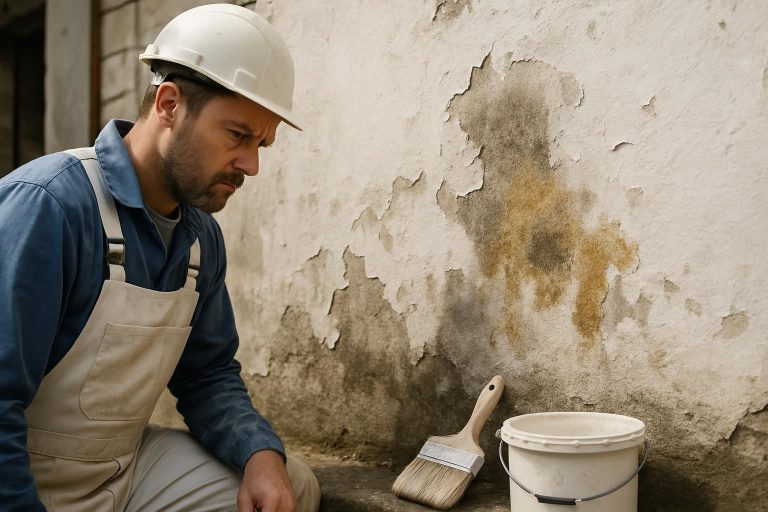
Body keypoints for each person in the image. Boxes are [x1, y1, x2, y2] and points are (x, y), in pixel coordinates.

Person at [0, 4, 320, 511]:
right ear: (169, 103)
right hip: (22, 477)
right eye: (238, 135)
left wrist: (259, 452)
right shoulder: (50, 206)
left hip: (121, 472)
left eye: (263, 143)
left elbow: (207, 374)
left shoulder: (200, 241)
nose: (252, 165)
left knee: (289, 487)